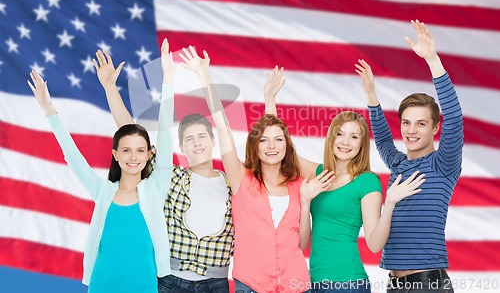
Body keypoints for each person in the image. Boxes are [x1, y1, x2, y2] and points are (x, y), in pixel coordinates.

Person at [178, 46, 335, 293]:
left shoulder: (298, 185)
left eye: (279, 140)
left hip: (296, 286)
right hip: (251, 285)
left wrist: (305, 202)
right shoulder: (242, 179)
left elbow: (302, 243)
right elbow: (222, 125)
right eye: (263, 140)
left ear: (287, 145)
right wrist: (203, 75)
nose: (271, 146)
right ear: (255, 146)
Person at [27, 41, 175, 293]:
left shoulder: (157, 187)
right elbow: (73, 158)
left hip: (144, 286)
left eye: (140, 151)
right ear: (115, 155)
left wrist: (168, 81)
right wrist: (49, 109)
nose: (133, 157)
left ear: (149, 154)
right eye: (126, 150)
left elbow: (165, 135)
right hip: (101, 285)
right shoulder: (104, 191)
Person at [265, 69, 425, 293]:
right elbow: (282, 151)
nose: (345, 142)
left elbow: (374, 244)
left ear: (362, 144)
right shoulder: (319, 173)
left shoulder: (366, 182)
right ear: (331, 138)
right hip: (314, 282)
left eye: (354, 136)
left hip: (348, 283)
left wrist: (389, 204)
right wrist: (270, 100)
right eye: (340, 134)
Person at [93, 41, 233, 293]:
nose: (196, 143)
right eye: (188, 139)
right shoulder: (171, 177)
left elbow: (224, 125)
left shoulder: (231, 182)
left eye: (202, 136)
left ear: (213, 141)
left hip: (216, 282)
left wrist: (204, 75)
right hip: (171, 281)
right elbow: (132, 134)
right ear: (181, 146)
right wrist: (110, 88)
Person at [355, 20, 464, 293]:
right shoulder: (398, 164)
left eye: (421, 123)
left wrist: (432, 60)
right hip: (395, 284)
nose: (411, 131)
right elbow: (381, 137)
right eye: (406, 123)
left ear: (435, 127)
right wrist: (371, 95)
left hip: (428, 284)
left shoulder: (443, 164)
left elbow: (454, 117)